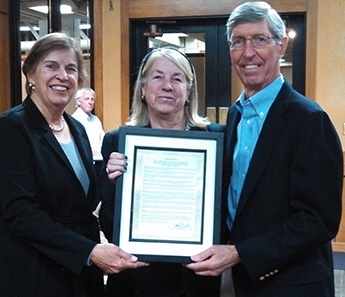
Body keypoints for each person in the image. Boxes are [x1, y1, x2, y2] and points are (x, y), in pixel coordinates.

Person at [185, 2, 343, 297]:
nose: (248, 53)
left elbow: (318, 220)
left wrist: (240, 253)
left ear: (281, 46)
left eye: (260, 39)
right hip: (241, 282)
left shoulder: (309, 120)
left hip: (291, 284)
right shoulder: (235, 115)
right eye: (238, 42)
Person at [0, 32, 147, 297]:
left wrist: (111, 178)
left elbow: (81, 201)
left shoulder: (76, 128)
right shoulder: (11, 128)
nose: (62, 76)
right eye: (51, 66)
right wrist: (88, 251)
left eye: (71, 68)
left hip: (79, 274)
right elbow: (20, 213)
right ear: (30, 75)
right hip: (36, 273)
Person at [99, 47, 225, 297]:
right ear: (143, 89)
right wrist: (115, 185)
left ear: (189, 92)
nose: (167, 85)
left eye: (177, 79)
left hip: (196, 277)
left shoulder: (215, 139)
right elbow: (108, 220)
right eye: (157, 77)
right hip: (136, 278)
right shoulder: (117, 142)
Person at [72, 87, 105, 160]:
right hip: (84, 161)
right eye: (87, 99)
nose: (90, 102)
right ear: (78, 102)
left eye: (92, 99)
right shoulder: (74, 120)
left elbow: (103, 141)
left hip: (99, 161)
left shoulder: (96, 120)